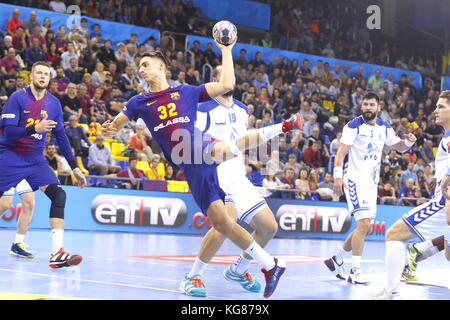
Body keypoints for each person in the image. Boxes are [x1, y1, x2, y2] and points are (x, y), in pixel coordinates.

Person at [101, 43, 303, 298]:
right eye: (139, 66)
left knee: (229, 150)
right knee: (222, 223)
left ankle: (282, 128)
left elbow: (227, 83)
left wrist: (227, 49)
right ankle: (270, 266)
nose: (140, 69)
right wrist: (109, 128)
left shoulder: (187, 92)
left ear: (161, 67)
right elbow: (117, 124)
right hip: (190, 164)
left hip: (200, 149)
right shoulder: (138, 102)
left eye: (145, 65)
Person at [182, 65, 280, 297]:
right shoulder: (202, 108)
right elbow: (193, 140)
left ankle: (238, 270)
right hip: (215, 172)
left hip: (238, 175)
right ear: (216, 80)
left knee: (268, 228)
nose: (226, 78)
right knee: (226, 223)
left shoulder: (243, 109)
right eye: (220, 75)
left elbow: (244, 140)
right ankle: (193, 276)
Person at [324, 92, 417, 285]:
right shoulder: (353, 126)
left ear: (378, 107)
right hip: (354, 180)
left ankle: (337, 259)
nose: (368, 107)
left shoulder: (384, 127)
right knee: (364, 225)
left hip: (371, 183)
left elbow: (399, 147)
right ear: (361, 106)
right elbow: (341, 152)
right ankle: (355, 271)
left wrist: (408, 141)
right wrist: (338, 177)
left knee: (365, 228)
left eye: (372, 104)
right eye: (365, 104)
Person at [0, 61, 86, 268]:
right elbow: (9, 132)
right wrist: (34, 128)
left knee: (59, 195)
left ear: (49, 79)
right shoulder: (17, 98)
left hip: (35, 159)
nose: (42, 76)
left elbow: (61, 137)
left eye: (46, 74)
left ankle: (57, 253)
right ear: (31, 76)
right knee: (3, 204)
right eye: (38, 73)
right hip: (10, 155)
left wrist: (74, 167)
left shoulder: (54, 103)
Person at [375, 90, 450, 299]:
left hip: (444, 203)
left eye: (441, 107)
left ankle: (390, 292)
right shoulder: (446, 136)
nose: (435, 110)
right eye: (436, 106)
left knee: (394, 234)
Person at [0, 180, 35, 258]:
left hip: (25, 170)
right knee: (4, 204)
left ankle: (17, 244)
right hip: (7, 169)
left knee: (29, 203)